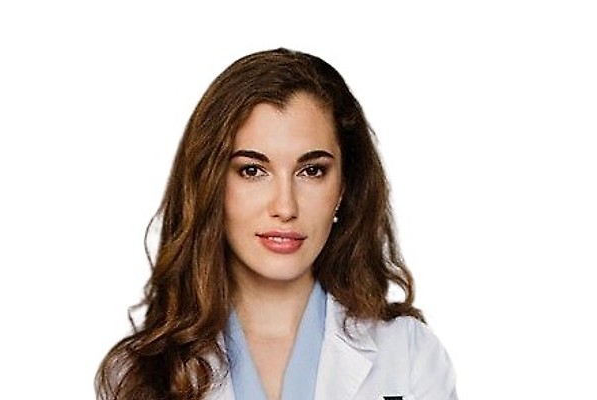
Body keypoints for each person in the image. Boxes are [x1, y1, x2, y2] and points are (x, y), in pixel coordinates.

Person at [96, 48, 457, 400]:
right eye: (253, 171)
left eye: (311, 171)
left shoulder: (409, 355)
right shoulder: (138, 373)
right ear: (211, 185)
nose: (285, 207)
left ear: (344, 187)